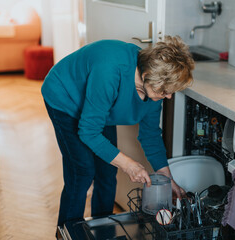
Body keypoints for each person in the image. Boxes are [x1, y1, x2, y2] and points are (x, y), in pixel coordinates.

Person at [41, 35, 195, 231]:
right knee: (82, 171)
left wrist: (167, 177)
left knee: (107, 170)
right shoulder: (111, 70)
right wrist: (129, 165)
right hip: (65, 97)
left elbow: (150, 135)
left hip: (98, 109)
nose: (169, 96)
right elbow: (89, 132)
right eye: (165, 91)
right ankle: (67, 233)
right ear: (146, 76)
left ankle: (103, 230)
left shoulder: (154, 91)